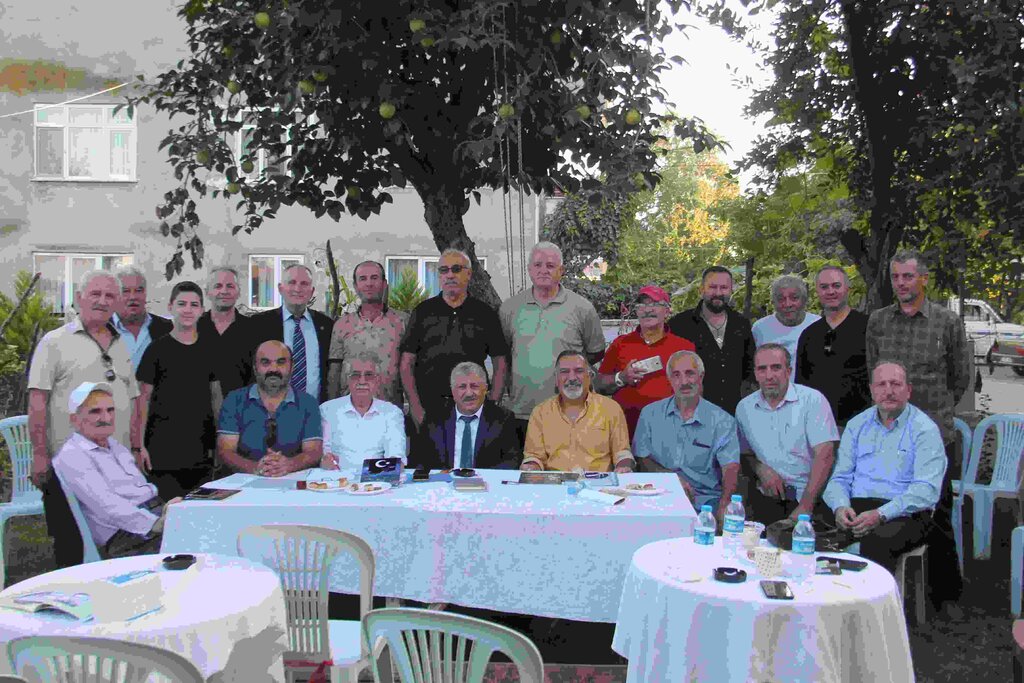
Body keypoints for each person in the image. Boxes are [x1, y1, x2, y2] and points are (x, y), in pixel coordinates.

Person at [865, 248, 969, 609]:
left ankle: (944, 595)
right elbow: (873, 372)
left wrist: (934, 412)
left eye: (908, 276)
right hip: (890, 434)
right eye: (895, 277)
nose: (901, 283)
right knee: (890, 508)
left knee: (937, 513)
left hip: (934, 434)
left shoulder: (946, 322)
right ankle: (885, 589)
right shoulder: (878, 321)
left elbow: (960, 378)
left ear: (923, 278)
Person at [27, 270, 145, 567]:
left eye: (109, 296)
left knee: (121, 547)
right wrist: (39, 455)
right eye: (95, 294)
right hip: (70, 468)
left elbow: (132, 398)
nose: (102, 301)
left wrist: (135, 447)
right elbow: (38, 401)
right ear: (79, 298)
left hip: (114, 467)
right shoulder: (54, 342)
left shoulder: (119, 344)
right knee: (70, 544)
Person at [822, 362, 946, 575]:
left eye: (895, 384)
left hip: (905, 513)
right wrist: (840, 507)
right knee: (811, 534)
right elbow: (840, 478)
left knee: (875, 543)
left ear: (908, 390)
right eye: (881, 384)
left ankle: (871, 596)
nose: (888, 391)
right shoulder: (857, 425)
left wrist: (880, 515)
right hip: (856, 509)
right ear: (872, 390)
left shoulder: (925, 430)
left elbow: (926, 491)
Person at [52, 382, 181, 559]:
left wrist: (167, 510)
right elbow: (108, 506)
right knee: (200, 542)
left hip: (151, 516)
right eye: (95, 411)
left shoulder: (114, 445)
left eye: (110, 410)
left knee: (209, 523)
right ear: (75, 419)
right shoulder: (72, 455)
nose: (106, 417)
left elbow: (137, 489)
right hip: (127, 536)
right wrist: (156, 524)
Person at [499, 242, 605, 444]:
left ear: (561, 270)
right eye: (537, 265)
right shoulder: (510, 308)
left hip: (570, 413)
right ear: (529, 269)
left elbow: (596, 353)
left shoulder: (582, 308)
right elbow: (505, 356)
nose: (543, 270)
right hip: (523, 412)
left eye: (550, 265)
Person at [400, 249, 509, 426]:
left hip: (472, 408)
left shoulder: (484, 313)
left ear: (469, 274)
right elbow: (407, 362)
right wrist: (415, 407)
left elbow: (500, 361)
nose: (450, 275)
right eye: (444, 270)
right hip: (428, 409)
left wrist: (493, 404)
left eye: (456, 269)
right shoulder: (423, 312)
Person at [735, 343, 839, 524]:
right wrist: (760, 468)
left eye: (776, 368)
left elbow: (825, 455)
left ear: (789, 371)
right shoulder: (745, 408)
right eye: (762, 369)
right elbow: (745, 453)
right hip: (766, 499)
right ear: (755, 374)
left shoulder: (812, 400)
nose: (769, 376)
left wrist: (805, 506)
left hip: (811, 500)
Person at [136, 281, 221, 500]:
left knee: (198, 511)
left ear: (202, 310)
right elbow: (143, 399)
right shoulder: (156, 350)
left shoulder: (210, 349)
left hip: (201, 451)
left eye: (194, 305)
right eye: (182, 304)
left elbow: (215, 398)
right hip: (162, 452)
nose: (187, 310)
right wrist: (139, 446)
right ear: (170, 307)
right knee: (168, 511)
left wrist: (220, 442)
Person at [633, 350, 740, 517]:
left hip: (705, 502)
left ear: (701, 376)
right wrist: (671, 479)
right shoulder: (650, 414)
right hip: (659, 497)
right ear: (669, 379)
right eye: (676, 375)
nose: (684, 382)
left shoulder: (722, 420)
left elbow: (731, 468)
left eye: (690, 373)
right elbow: (642, 458)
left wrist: (725, 505)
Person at [596, 285, 695, 439]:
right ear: (636, 311)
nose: (648, 310)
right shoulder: (620, 344)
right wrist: (621, 378)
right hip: (626, 433)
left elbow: (696, 390)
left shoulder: (684, 347)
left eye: (655, 304)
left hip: (671, 434)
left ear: (667, 310)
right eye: (642, 305)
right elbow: (599, 385)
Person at [217, 341, 323, 476]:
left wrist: (289, 465)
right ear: (255, 367)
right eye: (265, 362)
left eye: (281, 362)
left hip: (292, 481)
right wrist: (255, 467)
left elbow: (313, 451)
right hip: (243, 481)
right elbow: (225, 451)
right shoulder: (234, 400)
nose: (273, 369)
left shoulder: (308, 403)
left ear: (292, 367)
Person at [521, 350, 635, 473]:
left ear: (589, 377)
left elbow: (622, 453)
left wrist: (624, 466)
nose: (572, 378)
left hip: (598, 482)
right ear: (556, 379)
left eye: (579, 371)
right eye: (564, 372)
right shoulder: (540, 412)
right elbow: (534, 456)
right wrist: (532, 466)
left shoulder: (611, 408)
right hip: (555, 482)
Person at [667, 266, 755, 415]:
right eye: (713, 287)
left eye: (724, 288)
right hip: (693, 413)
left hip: (733, 413)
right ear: (701, 289)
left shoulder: (741, 324)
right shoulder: (679, 325)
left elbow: (749, 371)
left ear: (731, 290)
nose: (718, 293)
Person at [796, 265, 871, 427]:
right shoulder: (809, 335)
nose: (830, 291)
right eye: (824, 287)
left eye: (836, 286)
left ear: (847, 288)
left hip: (861, 425)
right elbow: (801, 386)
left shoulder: (867, 328)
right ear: (817, 291)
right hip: (818, 426)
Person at [411, 361, 521, 470]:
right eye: (462, 387)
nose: (469, 393)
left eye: (474, 386)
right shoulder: (434, 418)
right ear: (453, 391)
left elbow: (511, 461)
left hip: (485, 480)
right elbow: (420, 460)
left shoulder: (503, 418)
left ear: (485, 389)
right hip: (444, 480)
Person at [326, 261, 408, 407]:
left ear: (384, 284)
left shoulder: (402, 322)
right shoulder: (342, 325)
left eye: (374, 278)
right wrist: (331, 410)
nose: (369, 283)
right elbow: (334, 373)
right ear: (355, 286)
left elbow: (410, 369)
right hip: (350, 412)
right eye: (363, 279)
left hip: (390, 410)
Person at [250, 264, 334, 402]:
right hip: (270, 410)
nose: (297, 289)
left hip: (315, 409)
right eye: (292, 282)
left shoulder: (326, 325)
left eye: (304, 284)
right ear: (280, 288)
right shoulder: (259, 324)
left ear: (312, 291)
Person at [320, 351, 406, 473]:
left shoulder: (392, 413)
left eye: (369, 375)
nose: (362, 381)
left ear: (377, 380)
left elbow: (396, 460)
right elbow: (324, 456)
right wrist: (326, 462)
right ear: (348, 380)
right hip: (336, 479)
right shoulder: (327, 410)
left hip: (378, 481)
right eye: (355, 375)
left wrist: (366, 476)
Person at [197, 266, 255, 395]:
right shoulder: (194, 328)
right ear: (207, 292)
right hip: (198, 405)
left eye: (230, 286)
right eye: (218, 286)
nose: (224, 291)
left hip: (241, 404)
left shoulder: (253, 330)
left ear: (239, 292)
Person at [751, 274, 821, 382]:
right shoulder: (760, 328)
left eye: (794, 298)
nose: (788, 304)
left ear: (804, 300)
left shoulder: (817, 324)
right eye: (781, 299)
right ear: (773, 302)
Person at [111, 266, 172, 372]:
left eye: (139, 290)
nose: (133, 297)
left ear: (145, 293)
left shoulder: (166, 328)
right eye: (125, 291)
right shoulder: (102, 328)